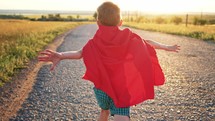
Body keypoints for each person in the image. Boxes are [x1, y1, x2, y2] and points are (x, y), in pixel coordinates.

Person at [38, 1, 180, 121]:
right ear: (120, 22)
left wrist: (61, 55)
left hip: (102, 88)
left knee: (104, 111)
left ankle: (104, 113)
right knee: (121, 115)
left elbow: (79, 53)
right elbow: (146, 43)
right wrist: (165, 47)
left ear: (98, 22)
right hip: (121, 89)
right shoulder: (127, 37)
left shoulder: (94, 42)